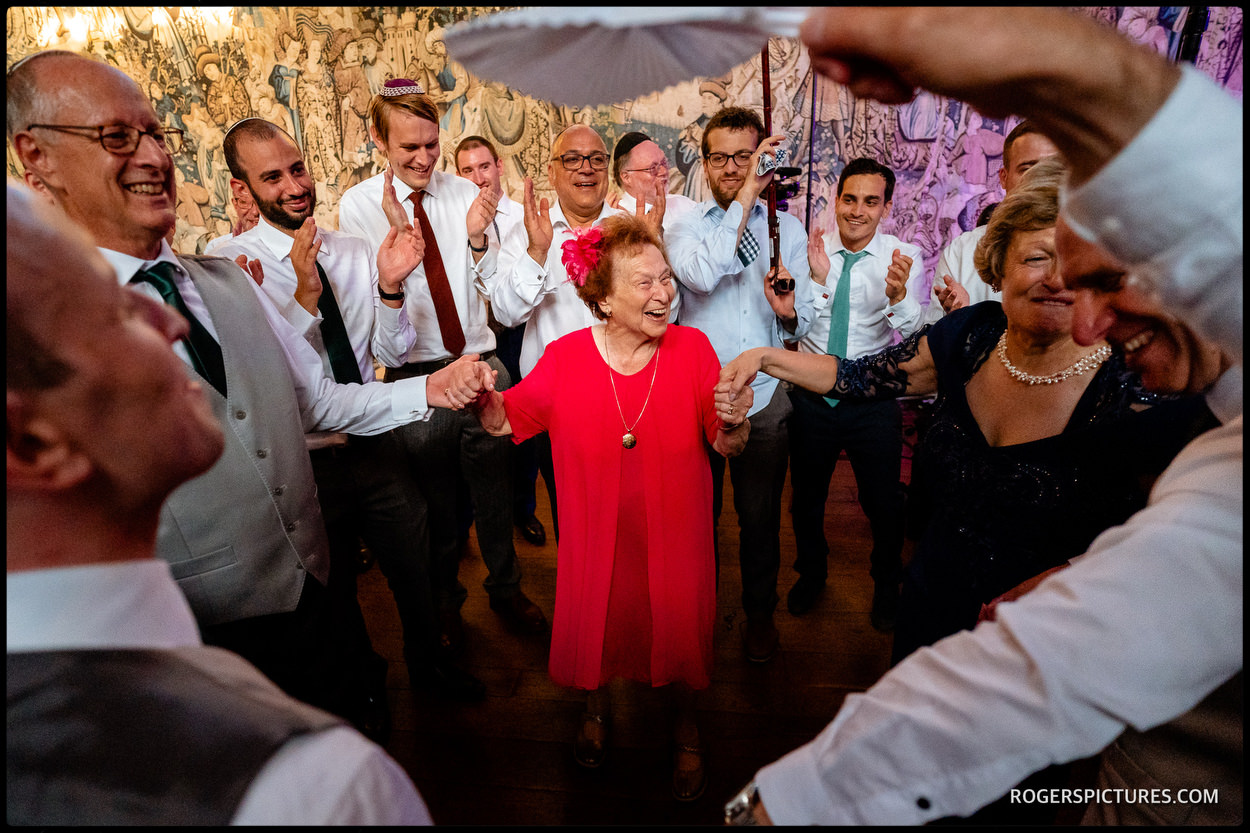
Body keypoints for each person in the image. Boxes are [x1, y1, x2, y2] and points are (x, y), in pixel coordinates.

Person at [717, 7, 1241, 824]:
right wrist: (765, 356)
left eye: (1106, 279)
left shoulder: (1165, 408)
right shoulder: (969, 337)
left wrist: (788, 802)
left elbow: (1065, 658)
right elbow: (859, 375)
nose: (1086, 315)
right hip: (940, 610)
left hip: (1084, 704)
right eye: (1045, 262)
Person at [7, 51, 489, 735]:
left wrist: (430, 388)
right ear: (38, 157)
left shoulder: (225, 285)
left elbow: (315, 399)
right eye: (118, 136)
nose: (152, 155)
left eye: (156, 134)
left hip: (311, 596)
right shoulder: (38, 324)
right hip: (192, 644)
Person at [6, 181, 432, 826]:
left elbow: (316, 400)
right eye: (112, 312)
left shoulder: (228, 287)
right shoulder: (317, 790)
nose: (169, 320)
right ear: (31, 442)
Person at [471, 212, 752, 800]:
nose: (664, 293)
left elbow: (723, 438)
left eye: (665, 278)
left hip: (676, 533)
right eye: (645, 283)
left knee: (677, 621)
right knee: (596, 618)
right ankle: (595, 711)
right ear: (601, 299)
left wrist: (735, 422)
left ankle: (684, 722)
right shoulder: (566, 357)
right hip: (597, 533)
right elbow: (506, 420)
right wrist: (478, 394)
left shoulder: (693, 349)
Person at [213, 118, 485, 703]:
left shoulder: (355, 250)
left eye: (298, 169)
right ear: (242, 191)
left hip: (375, 446)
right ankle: (365, 688)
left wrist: (388, 287)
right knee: (333, 592)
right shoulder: (229, 267)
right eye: (272, 177)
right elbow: (291, 389)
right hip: (304, 463)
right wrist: (300, 304)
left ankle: (429, 666)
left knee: (413, 560)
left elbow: (391, 352)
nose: (294, 186)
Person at [338, 79, 548, 656]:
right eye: (410, 147)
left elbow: (506, 305)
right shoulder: (357, 210)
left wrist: (481, 242)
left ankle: (506, 591)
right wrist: (392, 279)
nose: (425, 158)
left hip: (481, 366)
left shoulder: (466, 196)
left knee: (496, 497)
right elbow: (383, 344)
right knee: (437, 512)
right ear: (378, 139)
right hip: (417, 383)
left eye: (432, 144)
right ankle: (446, 608)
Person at [665, 106, 815, 664]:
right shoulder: (682, 226)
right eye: (720, 157)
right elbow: (704, 274)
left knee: (759, 521)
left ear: (762, 156)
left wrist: (791, 312)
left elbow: (801, 327)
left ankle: (758, 616)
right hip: (695, 397)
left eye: (744, 157)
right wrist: (752, 192)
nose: (732, 168)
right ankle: (694, 618)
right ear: (704, 163)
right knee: (693, 522)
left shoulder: (789, 231)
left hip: (767, 397)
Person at [489, 124, 661, 540]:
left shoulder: (630, 229)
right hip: (557, 405)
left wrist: (654, 247)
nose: (585, 168)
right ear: (552, 172)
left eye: (596, 159)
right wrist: (537, 252)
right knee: (573, 518)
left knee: (633, 514)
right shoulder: (528, 232)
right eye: (572, 159)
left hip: (627, 399)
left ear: (607, 170)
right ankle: (583, 595)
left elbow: (664, 316)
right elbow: (506, 312)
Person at [785, 157, 923, 629]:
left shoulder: (903, 257)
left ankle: (888, 583)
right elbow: (794, 326)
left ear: (886, 207)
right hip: (811, 396)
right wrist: (819, 281)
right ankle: (812, 573)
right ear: (836, 199)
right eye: (850, 199)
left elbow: (911, 340)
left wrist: (900, 298)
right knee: (806, 498)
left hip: (871, 397)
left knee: (883, 502)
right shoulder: (807, 251)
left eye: (871, 201)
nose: (857, 211)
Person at [455, 133, 545, 547]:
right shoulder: (456, 219)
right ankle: (472, 521)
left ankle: (523, 510)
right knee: (480, 432)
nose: (478, 177)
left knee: (523, 430)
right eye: (467, 170)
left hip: (517, 334)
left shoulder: (524, 217)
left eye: (484, 166)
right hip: (476, 340)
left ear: (499, 166)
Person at [922, 120, 1059, 324]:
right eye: (1027, 169)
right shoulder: (962, 252)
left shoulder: (1091, 248)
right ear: (1003, 178)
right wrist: (958, 322)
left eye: (1050, 170)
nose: (1039, 179)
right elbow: (932, 337)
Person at [610, 130, 699, 228]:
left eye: (664, 163)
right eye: (653, 168)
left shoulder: (684, 205)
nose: (663, 171)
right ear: (626, 177)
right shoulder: (612, 218)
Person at [202, 185, 260, 255]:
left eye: (260, 203)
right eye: (245, 202)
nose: (255, 212)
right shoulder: (216, 246)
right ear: (235, 204)